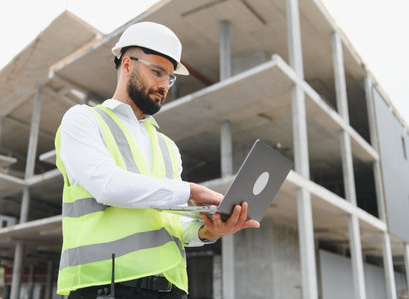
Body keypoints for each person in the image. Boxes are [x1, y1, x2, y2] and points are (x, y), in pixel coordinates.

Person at [55, 22, 260, 299]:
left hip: (171, 291)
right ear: (127, 64)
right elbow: (106, 185)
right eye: (157, 72)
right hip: (104, 286)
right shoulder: (83, 120)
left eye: (170, 77)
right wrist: (191, 190)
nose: (164, 85)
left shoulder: (167, 147)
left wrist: (206, 230)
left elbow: (173, 221)